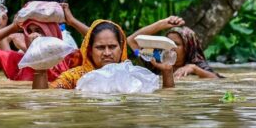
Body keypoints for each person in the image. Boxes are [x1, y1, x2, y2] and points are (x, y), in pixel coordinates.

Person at [40, 19, 174, 89]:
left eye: (112, 47)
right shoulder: (73, 77)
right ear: (89, 50)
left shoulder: (132, 74)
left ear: (121, 49)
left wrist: (167, 73)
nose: (107, 53)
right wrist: (39, 71)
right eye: (100, 47)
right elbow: (46, 97)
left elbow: (166, 98)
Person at [0, 1, 88, 84]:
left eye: (38, 31)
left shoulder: (69, 59)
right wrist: (11, 27)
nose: (33, 35)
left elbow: (100, 43)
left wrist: (72, 21)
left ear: (52, 33)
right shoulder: (18, 62)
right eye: (28, 31)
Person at [127, 16, 222, 78]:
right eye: (168, 42)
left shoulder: (196, 65)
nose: (170, 47)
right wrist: (161, 24)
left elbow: (217, 79)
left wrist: (194, 69)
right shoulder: (156, 62)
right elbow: (131, 41)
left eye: (176, 44)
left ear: (188, 48)